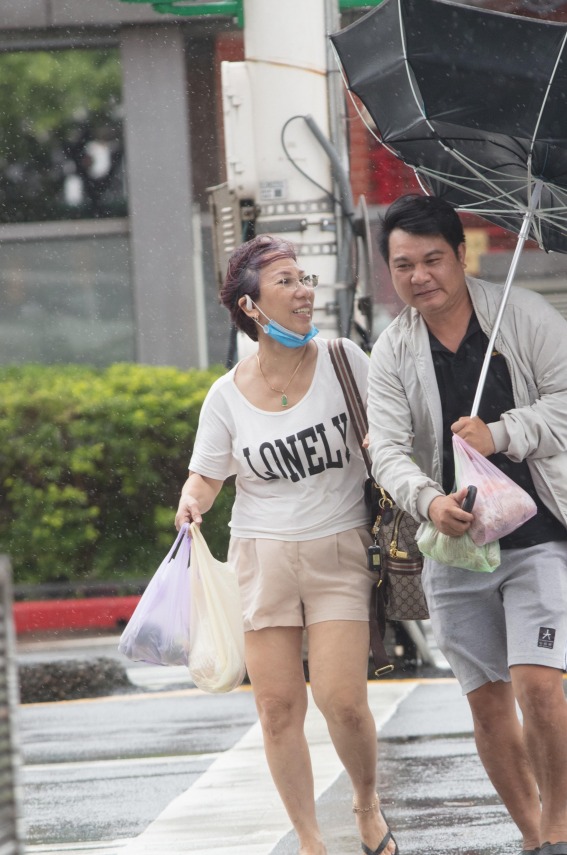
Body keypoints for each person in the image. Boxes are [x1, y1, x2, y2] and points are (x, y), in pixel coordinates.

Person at [366, 195, 567, 855]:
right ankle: (532, 836)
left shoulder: (523, 316)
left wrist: (501, 432)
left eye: (432, 259)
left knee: (536, 679)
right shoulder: (390, 353)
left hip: (540, 533)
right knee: (487, 700)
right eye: (403, 264)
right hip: (456, 547)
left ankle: (557, 828)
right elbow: (386, 448)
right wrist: (426, 500)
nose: (419, 276)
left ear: (460, 255)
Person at [174, 235, 397, 855]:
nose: (305, 292)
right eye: (286, 282)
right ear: (251, 306)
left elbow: (390, 434)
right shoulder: (225, 394)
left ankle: (365, 802)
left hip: (339, 550)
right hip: (261, 555)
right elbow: (208, 472)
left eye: (306, 279)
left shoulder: (345, 358)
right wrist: (193, 500)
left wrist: (388, 454)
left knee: (342, 701)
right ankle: (309, 840)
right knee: (276, 708)